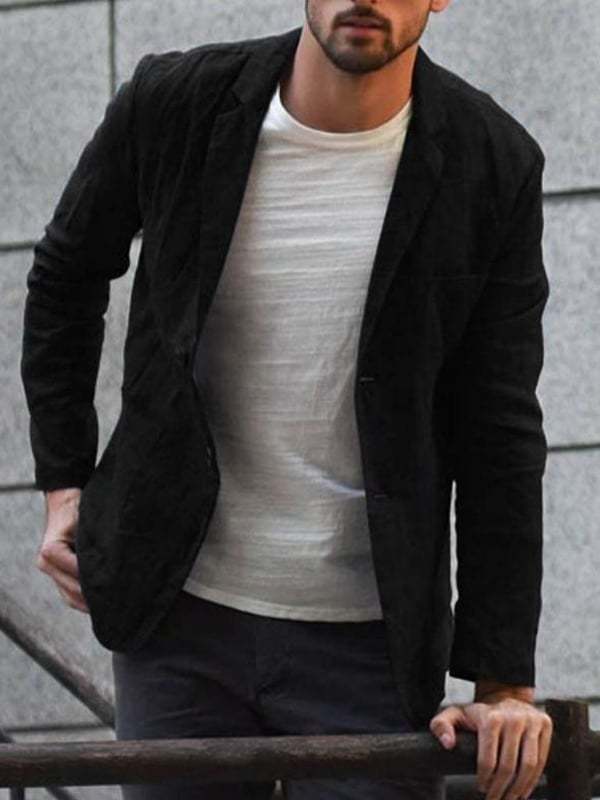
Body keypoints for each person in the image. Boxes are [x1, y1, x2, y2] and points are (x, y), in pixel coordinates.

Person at [21, 1, 553, 798]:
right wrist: (64, 483)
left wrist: (503, 684)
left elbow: (500, 430)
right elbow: (65, 276)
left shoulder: (492, 161)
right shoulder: (176, 102)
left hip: (368, 647)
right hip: (178, 624)